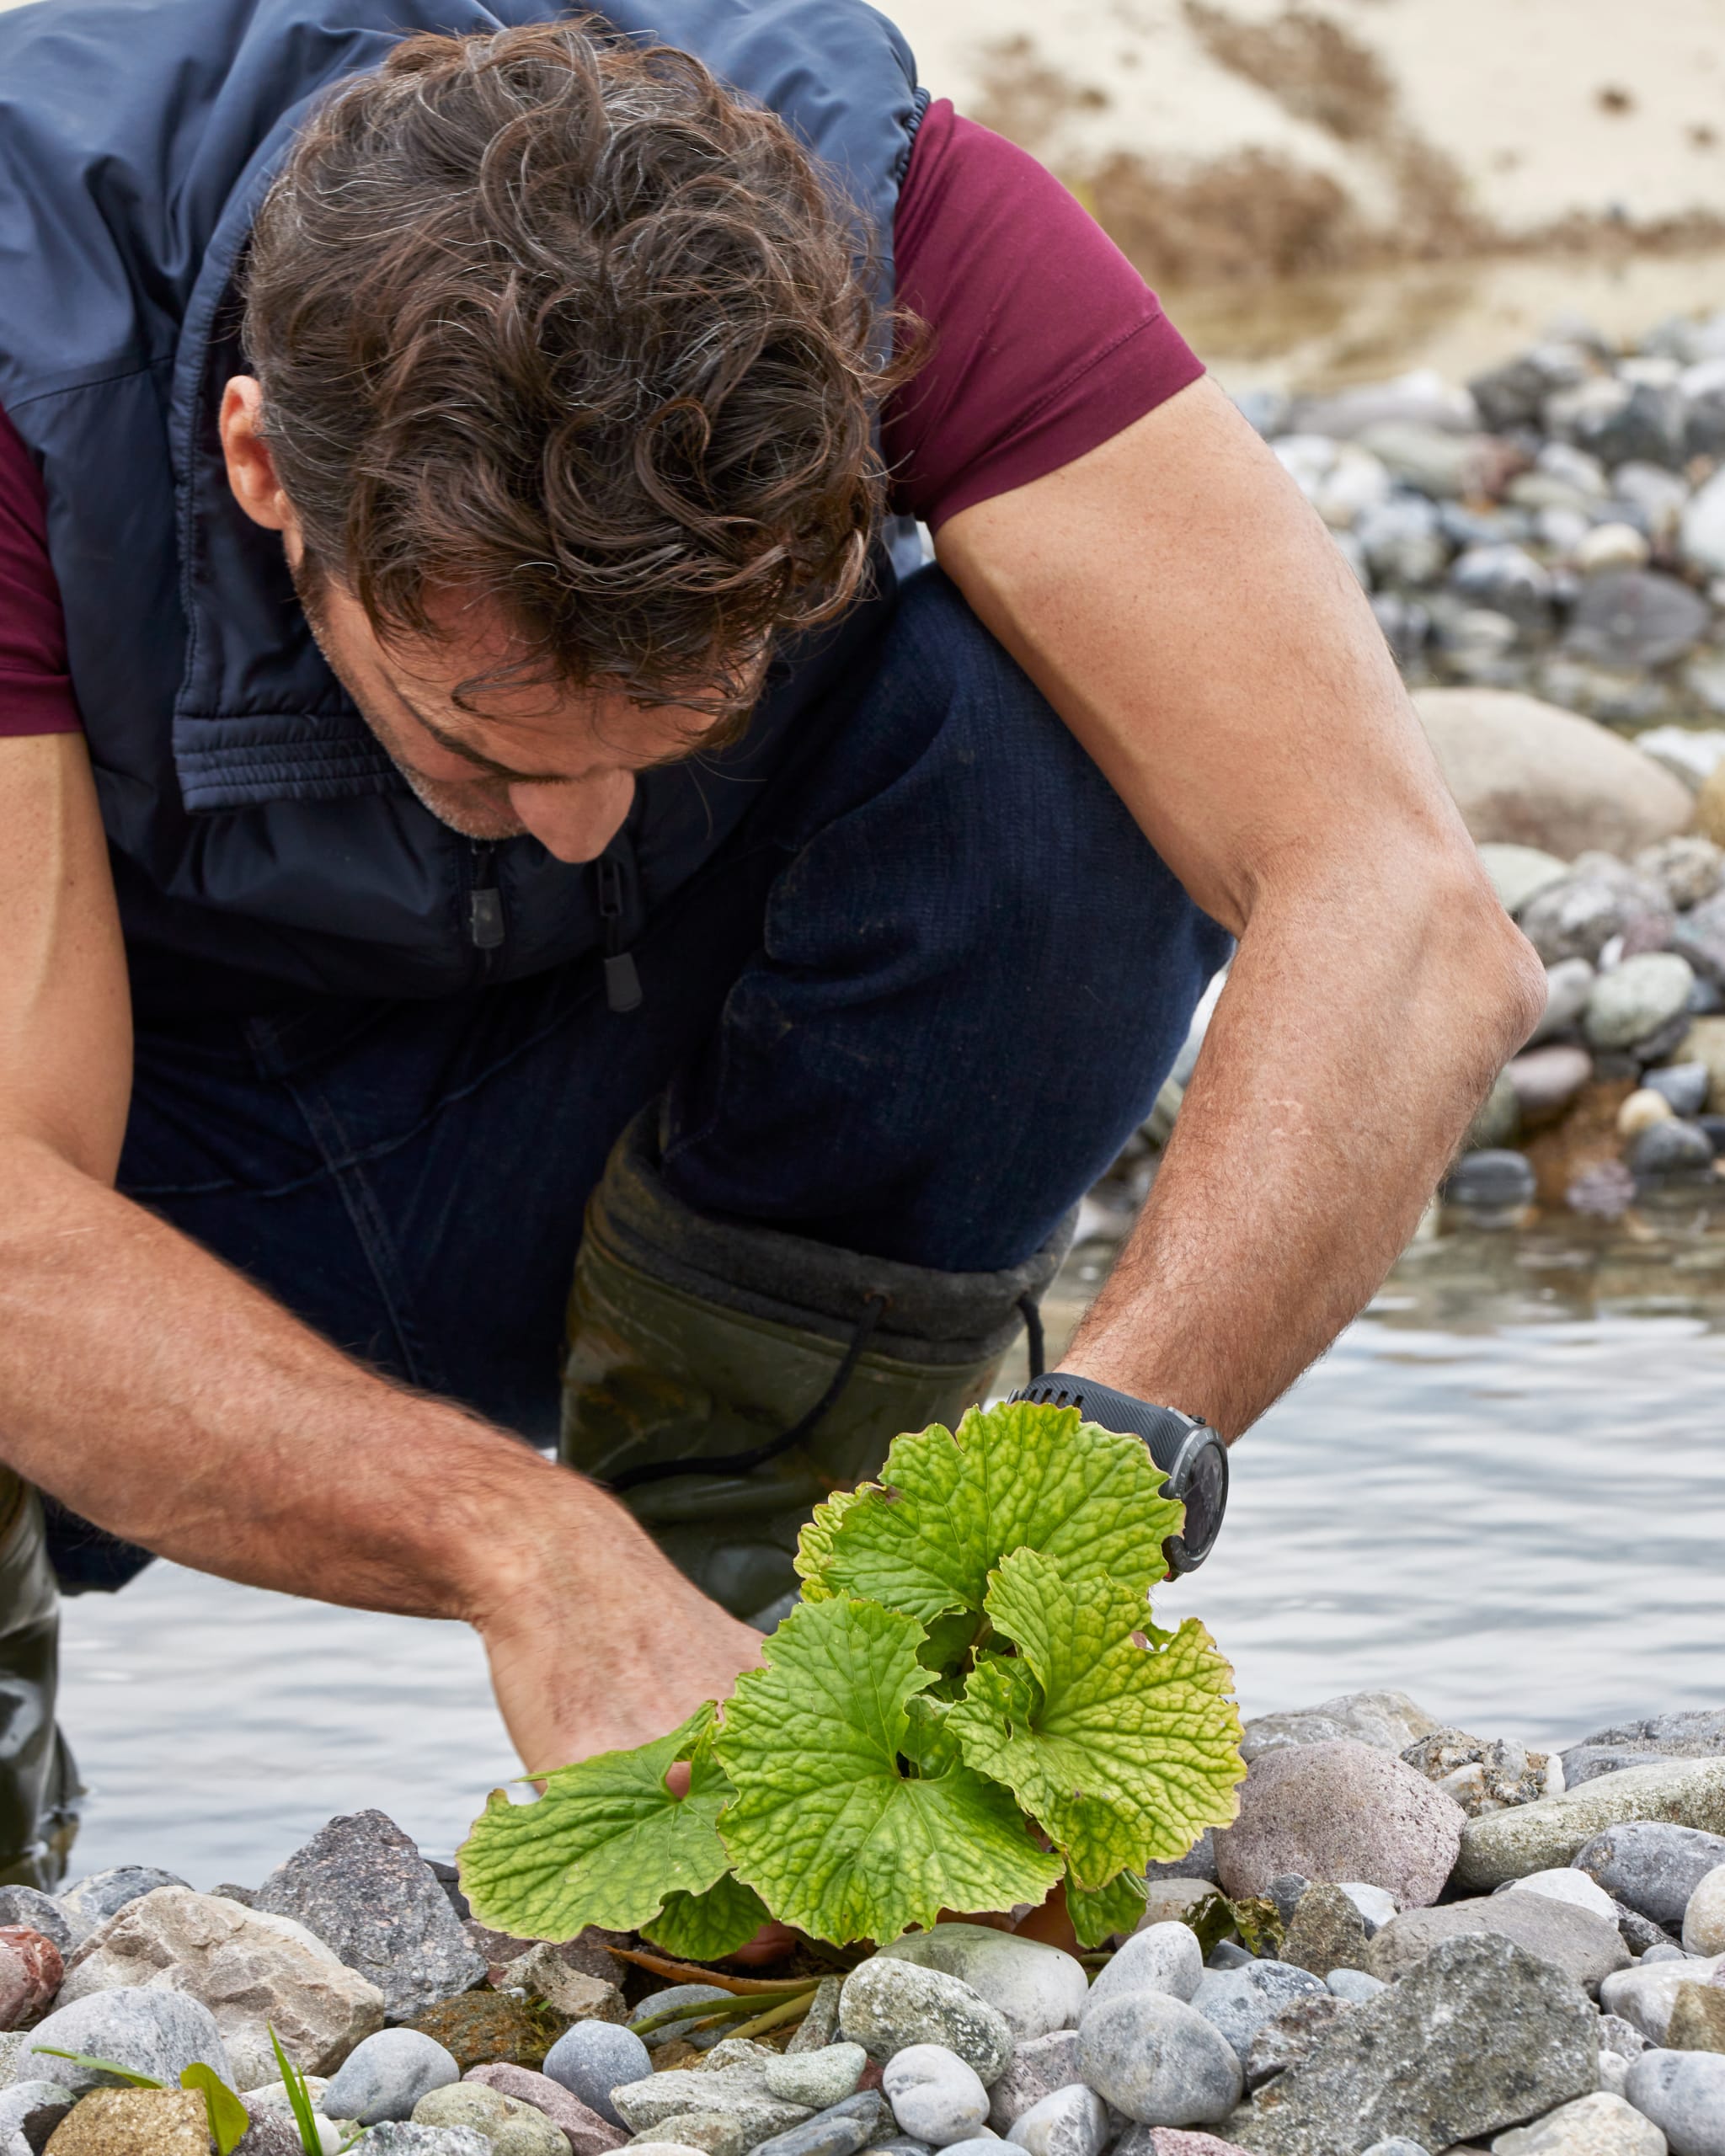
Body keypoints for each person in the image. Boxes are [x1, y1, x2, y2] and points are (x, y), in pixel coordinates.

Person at [0, 0, 1542, 1876]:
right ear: (263, 465)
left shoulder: (906, 236)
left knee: (1063, 733)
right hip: (163, 1187)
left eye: (665, 739)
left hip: (660, 1102)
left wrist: (1079, 1480)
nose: (577, 818)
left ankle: (769, 1722)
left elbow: (1405, 906)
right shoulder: (24, 340)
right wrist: (523, 1545)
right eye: (487, 741)